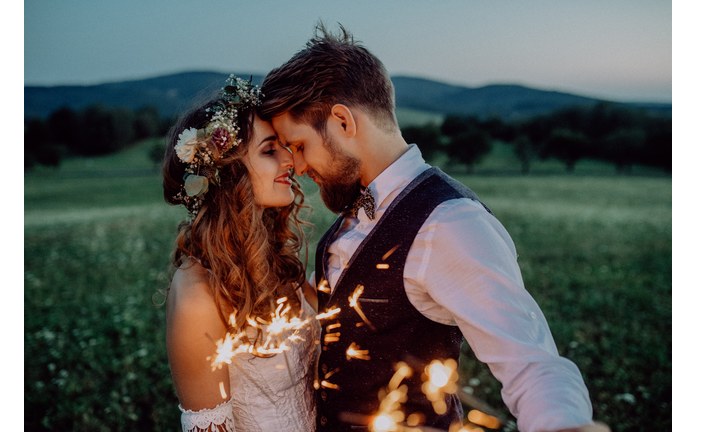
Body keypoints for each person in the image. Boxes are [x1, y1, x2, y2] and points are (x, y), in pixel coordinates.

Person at [259, 25, 610, 432]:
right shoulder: (350, 210)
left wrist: (565, 427)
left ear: (342, 121)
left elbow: (531, 362)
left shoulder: (451, 222)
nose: (298, 167)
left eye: (299, 146)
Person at [161, 76, 320, 432]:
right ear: (228, 173)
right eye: (269, 150)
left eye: (284, 146)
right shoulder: (197, 296)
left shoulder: (276, 262)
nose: (290, 160)